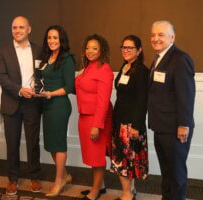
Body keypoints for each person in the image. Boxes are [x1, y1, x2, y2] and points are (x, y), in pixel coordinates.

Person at [148, 20, 195, 200]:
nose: (156, 38)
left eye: (161, 35)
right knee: (166, 172)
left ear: (172, 37)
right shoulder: (159, 59)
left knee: (176, 175)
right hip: (161, 126)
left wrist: (184, 124)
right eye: (153, 35)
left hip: (175, 128)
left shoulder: (180, 59)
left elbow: (186, 95)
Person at [0, 16, 42, 195]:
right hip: (11, 102)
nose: (17, 30)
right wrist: (19, 90)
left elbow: (43, 74)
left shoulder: (39, 49)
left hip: (33, 103)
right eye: (14, 27)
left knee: (33, 142)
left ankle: (34, 177)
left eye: (21, 27)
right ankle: (13, 179)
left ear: (29, 29)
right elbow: (0, 75)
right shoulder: (2, 50)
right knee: (12, 143)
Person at [36, 25, 75, 197]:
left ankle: (58, 181)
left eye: (55, 38)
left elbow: (69, 86)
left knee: (58, 144)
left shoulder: (66, 59)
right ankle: (65, 175)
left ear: (61, 40)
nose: (52, 41)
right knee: (51, 144)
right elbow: (40, 79)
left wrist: (51, 93)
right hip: (47, 104)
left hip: (59, 105)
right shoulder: (45, 58)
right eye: (49, 37)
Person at [75, 34, 114, 200]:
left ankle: (95, 191)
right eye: (88, 47)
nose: (90, 51)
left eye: (94, 48)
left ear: (102, 50)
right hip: (84, 117)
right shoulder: (89, 67)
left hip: (95, 119)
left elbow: (103, 101)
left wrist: (97, 125)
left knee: (97, 156)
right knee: (92, 155)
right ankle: (100, 186)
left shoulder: (104, 69)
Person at [110, 35, 149, 200]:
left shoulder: (141, 71)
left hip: (130, 124)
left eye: (130, 48)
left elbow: (142, 100)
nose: (125, 50)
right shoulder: (126, 66)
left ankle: (126, 195)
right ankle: (130, 190)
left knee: (125, 161)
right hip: (120, 121)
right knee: (126, 160)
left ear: (139, 50)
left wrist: (136, 125)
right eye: (123, 47)